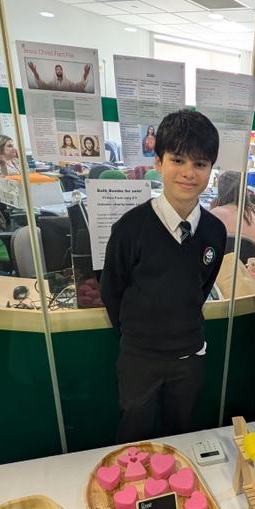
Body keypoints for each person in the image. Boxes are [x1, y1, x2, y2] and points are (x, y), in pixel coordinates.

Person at [100, 110, 226, 443]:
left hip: (188, 355)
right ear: (158, 162)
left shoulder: (214, 231)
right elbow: (112, 290)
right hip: (139, 357)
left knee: (180, 432)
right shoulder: (130, 228)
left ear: (211, 169)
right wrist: (136, 335)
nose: (188, 173)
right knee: (135, 433)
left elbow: (202, 286)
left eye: (200, 164)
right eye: (178, 160)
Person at [210, 170, 255, 247]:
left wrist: (212, 211)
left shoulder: (216, 213)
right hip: (254, 254)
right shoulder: (254, 211)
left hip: (227, 254)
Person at [27, 61, 91, 92]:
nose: (59, 71)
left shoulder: (69, 83)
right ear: (55, 71)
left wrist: (85, 73)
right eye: (57, 69)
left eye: (60, 69)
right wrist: (34, 71)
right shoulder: (52, 84)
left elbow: (79, 86)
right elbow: (41, 85)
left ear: (62, 71)